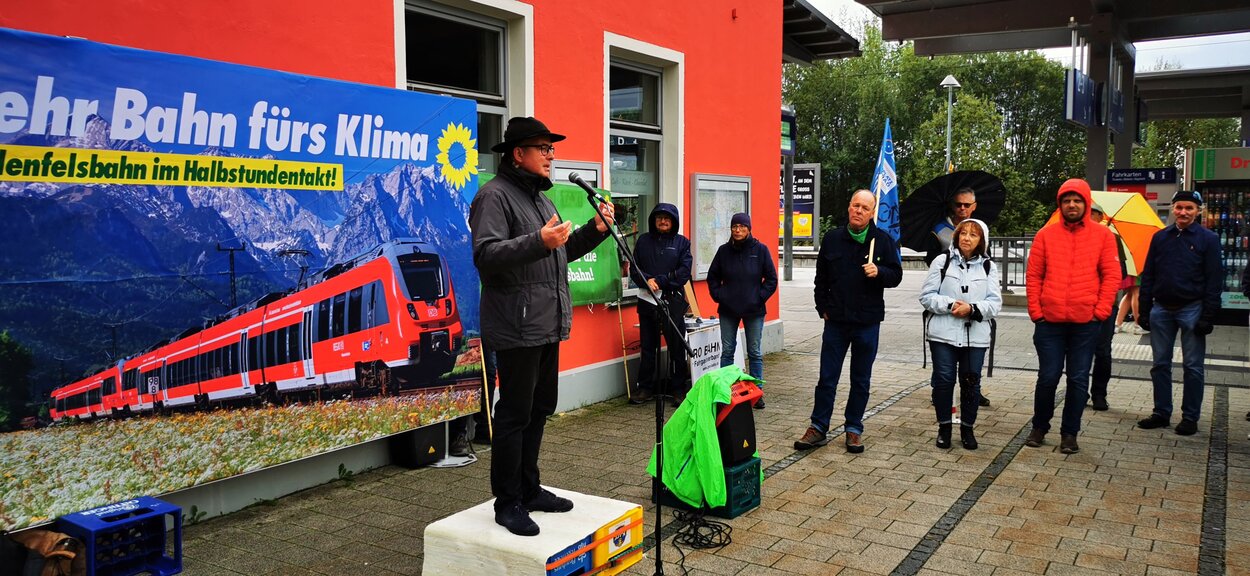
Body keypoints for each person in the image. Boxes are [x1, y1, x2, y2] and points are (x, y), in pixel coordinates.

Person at [469, 116, 615, 536]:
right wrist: (538, 241)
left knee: (540, 408)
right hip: (516, 326)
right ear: (519, 154)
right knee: (514, 414)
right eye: (543, 148)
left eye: (552, 148)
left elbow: (557, 256)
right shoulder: (494, 197)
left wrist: (596, 230)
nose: (552, 155)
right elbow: (487, 255)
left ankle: (530, 489)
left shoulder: (541, 200)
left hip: (546, 323)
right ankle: (508, 501)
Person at [795, 190, 903, 453]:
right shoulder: (833, 239)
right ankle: (818, 427)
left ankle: (853, 429)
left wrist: (880, 272)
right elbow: (820, 280)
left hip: (867, 322)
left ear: (872, 212)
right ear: (848, 207)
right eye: (856, 205)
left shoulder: (883, 241)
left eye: (865, 208)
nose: (859, 211)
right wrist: (823, 308)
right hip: (837, 323)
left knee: (861, 380)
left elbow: (896, 275)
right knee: (827, 378)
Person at [1024, 179, 1120, 455]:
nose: (1072, 205)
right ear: (1060, 204)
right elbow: (1034, 276)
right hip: (1049, 322)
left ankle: (1070, 433)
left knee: (1078, 379)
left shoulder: (1103, 237)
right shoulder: (1046, 235)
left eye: (1077, 200)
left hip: (1086, 323)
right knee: (1048, 377)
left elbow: (1111, 276)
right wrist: (1037, 313)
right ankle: (1040, 426)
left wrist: (1100, 313)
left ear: (1086, 204)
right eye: (1067, 200)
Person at [1135, 190, 1222, 436]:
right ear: (1173, 209)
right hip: (1161, 308)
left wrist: (1208, 315)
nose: (1183, 212)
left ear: (1198, 211)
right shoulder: (1160, 237)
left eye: (1189, 208)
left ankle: (1190, 417)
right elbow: (1148, 274)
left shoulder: (1209, 239)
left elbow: (1214, 279)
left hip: (1192, 308)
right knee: (1159, 364)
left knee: (1193, 366)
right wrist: (1144, 309)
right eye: (1179, 207)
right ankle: (1162, 413)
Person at [919, 218, 1000, 450]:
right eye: (962, 233)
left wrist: (973, 309)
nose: (966, 238)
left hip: (975, 335)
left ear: (981, 241)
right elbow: (926, 296)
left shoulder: (988, 266)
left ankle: (967, 428)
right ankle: (944, 427)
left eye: (973, 235)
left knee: (971, 382)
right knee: (944, 381)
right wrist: (951, 304)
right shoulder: (941, 261)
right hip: (943, 333)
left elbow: (995, 303)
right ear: (956, 236)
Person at [924, 187, 991, 407]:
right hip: (945, 295)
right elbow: (931, 262)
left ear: (974, 206)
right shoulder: (939, 230)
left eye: (967, 205)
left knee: (970, 367)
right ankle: (940, 393)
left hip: (972, 307)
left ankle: (972, 392)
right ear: (952, 206)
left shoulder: (980, 228)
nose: (962, 209)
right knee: (943, 365)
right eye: (958, 204)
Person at [706, 212, 777, 409]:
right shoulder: (723, 251)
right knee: (727, 351)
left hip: (754, 310)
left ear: (749, 229)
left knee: (754, 352)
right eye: (734, 227)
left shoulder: (760, 250)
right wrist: (720, 295)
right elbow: (712, 277)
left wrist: (759, 297)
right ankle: (725, 391)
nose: (738, 230)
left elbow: (771, 279)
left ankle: (756, 393)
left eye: (742, 227)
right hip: (728, 309)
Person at [629, 203, 692, 404]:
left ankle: (678, 389)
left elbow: (684, 272)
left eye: (667, 218)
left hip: (672, 301)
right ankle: (645, 388)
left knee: (676, 347)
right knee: (648, 346)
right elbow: (634, 268)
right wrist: (647, 280)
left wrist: (661, 281)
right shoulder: (643, 241)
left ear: (673, 221)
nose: (663, 221)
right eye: (659, 218)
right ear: (653, 220)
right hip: (647, 301)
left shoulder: (682, 243)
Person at [1088, 203, 1120, 412]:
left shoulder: (1112, 238)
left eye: (1092, 213)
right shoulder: (1072, 238)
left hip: (1106, 302)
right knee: (1079, 352)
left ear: (1100, 216)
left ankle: (1099, 393)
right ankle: (1079, 391)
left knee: (1102, 351)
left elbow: (1120, 273)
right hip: (1081, 303)